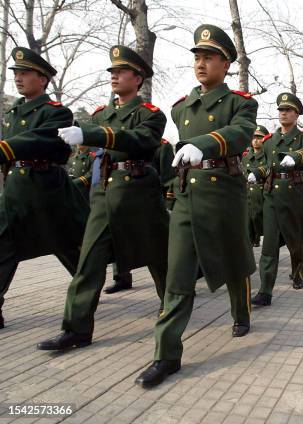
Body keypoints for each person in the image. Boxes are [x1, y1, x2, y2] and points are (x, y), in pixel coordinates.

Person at [133, 24, 258, 388]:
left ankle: (241, 312)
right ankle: (166, 355)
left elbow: (239, 134)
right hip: (189, 196)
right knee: (178, 276)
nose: (201, 64)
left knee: (233, 261)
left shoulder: (241, 102)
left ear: (226, 63)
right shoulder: (181, 108)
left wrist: (204, 143)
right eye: (197, 58)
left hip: (224, 193)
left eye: (209, 57)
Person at [37, 45, 168, 350]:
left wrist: (93, 135)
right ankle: (76, 328)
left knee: (158, 255)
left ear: (138, 79)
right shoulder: (100, 114)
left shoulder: (150, 114)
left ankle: (172, 303)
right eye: (112, 71)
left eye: (121, 71)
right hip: (104, 194)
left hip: (138, 194)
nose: (114, 76)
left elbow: (138, 140)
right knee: (89, 263)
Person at [0, 47, 89, 329]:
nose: (19, 78)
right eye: (16, 73)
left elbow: (39, 139)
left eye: (25, 73)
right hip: (16, 189)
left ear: (43, 79)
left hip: (47, 189)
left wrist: (5, 148)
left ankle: (88, 292)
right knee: (3, 244)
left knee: (68, 245)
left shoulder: (58, 113)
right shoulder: (12, 112)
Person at [248, 92, 303, 307]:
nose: (283, 113)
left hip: (294, 195)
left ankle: (297, 274)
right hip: (271, 196)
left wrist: (295, 157)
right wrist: (257, 173)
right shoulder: (270, 141)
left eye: (288, 110)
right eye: (281, 110)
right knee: (269, 246)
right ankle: (265, 291)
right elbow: (267, 165)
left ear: (296, 114)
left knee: (296, 243)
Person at [242, 125, 269, 247]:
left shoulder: (268, 156)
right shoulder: (245, 157)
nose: (256, 140)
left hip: (262, 193)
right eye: (253, 138)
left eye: (259, 138)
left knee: (264, 224)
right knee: (247, 226)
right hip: (247, 194)